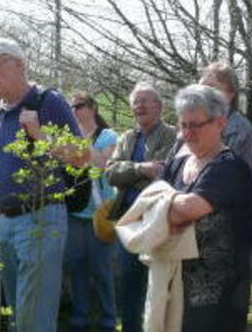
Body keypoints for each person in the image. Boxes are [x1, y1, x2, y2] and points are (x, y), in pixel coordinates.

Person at [0, 38, 83, 332]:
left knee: (34, 318)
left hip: (40, 216)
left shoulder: (49, 101)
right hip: (3, 222)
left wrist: (39, 134)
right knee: (18, 317)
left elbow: (81, 156)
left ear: (20, 64)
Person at [163, 84, 252, 331]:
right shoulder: (177, 165)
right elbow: (153, 205)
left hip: (218, 295)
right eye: (183, 125)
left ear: (220, 124)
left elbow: (187, 210)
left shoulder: (229, 167)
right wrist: (162, 207)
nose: (187, 133)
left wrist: (160, 205)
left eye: (195, 125)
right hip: (174, 285)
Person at [105, 82, 176, 332]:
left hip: (157, 220)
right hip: (128, 222)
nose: (139, 106)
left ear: (159, 106)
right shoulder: (126, 137)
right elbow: (111, 173)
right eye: (136, 102)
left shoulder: (172, 135)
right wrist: (140, 168)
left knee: (157, 285)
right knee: (128, 284)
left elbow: (163, 171)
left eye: (146, 101)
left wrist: (133, 170)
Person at [198, 62, 252, 277]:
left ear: (231, 94)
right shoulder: (197, 125)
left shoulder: (236, 127)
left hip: (227, 227)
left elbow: (214, 172)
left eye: (213, 88)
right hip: (202, 223)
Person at [67, 92, 118, 332]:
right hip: (76, 212)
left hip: (100, 213)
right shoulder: (68, 136)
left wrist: (81, 143)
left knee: (102, 269)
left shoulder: (108, 136)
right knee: (77, 266)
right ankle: (80, 316)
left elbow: (103, 165)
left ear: (93, 107)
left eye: (79, 105)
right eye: (71, 107)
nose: (74, 110)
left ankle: (108, 318)